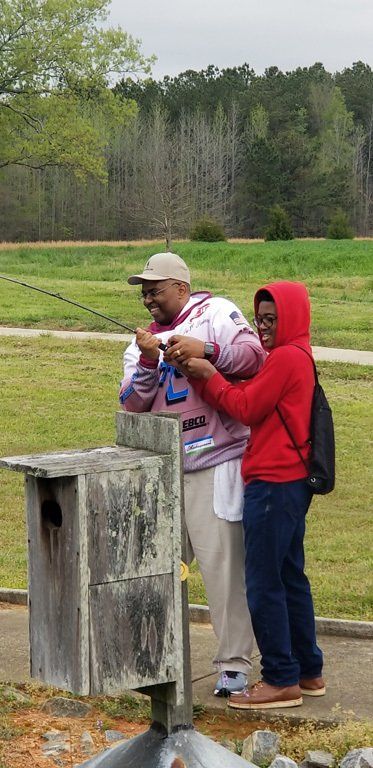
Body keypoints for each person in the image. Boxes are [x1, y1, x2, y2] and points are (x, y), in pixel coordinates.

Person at [119, 251, 265, 696]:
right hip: (163, 468)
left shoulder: (215, 311)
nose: (148, 299)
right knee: (158, 568)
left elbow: (253, 357)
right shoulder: (140, 342)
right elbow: (131, 403)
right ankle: (155, 660)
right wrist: (148, 361)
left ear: (181, 287)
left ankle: (235, 665)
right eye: (143, 292)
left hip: (216, 461)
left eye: (155, 289)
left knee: (223, 566)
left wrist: (206, 351)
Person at [176, 280, 325, 710]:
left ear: (292, 317)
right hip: (292, 483)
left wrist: (206, 377)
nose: (262, 328)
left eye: (271, 319)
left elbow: (244, 408)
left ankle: (280, 678)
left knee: (262, 582)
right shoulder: (300, 355)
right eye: (259, 319)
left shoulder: (283, 360)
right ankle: (308, 671)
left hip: (272, 485)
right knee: (290, 576)